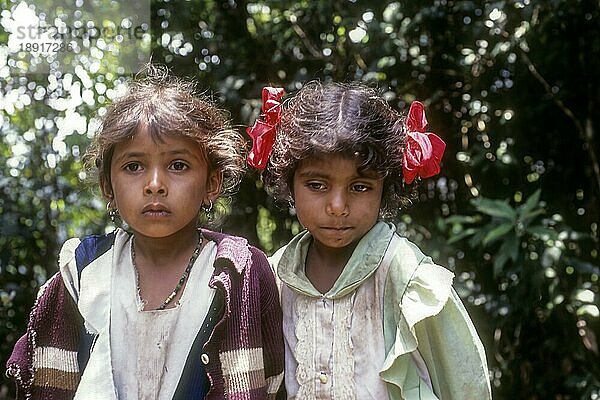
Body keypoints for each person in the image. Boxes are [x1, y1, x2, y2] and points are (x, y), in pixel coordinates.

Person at [6, 65, 284, 400]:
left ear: (212, 183)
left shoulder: (239, 272)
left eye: (177, 165)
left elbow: (268, 381)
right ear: (109, 187)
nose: (154, 185)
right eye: (133, 166)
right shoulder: (83, 272)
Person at [246, 82, 492, 399]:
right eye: (317, 185)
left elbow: (464, 381)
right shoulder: (274, 275)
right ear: (290, 182)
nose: (337, 206)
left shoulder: (408, 278)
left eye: (360, 187)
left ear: (384, 187)